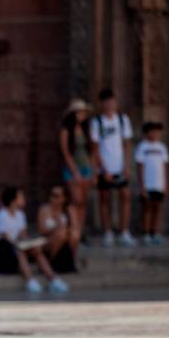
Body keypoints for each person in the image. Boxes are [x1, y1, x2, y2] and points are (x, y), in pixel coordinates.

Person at [0, 187, 70, 294]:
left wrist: (30, 244)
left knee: (36, 251)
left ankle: (53, 280)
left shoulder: (20, 215)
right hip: (0, 249)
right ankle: (30, 281)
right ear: (13, 200)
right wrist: (20, 244)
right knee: (19, 251)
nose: (23, 199)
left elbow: (23, 235)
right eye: (20, 197)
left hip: (16, 245)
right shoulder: (1, 215)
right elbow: (5, 237)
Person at [91, 88, 137, 247]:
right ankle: (108, 231)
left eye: (112, 102)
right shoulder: (97, 122)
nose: (109, 105)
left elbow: (127, 144)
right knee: (104, 199)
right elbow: (95, 147)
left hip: (120, 166)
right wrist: (103, 168)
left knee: (125, 197)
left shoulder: (122, 120)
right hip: (105, 167)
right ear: (101, 104)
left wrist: (126, 166)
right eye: (106, 102)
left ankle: (124, 231)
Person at [59, 98, 94, 240]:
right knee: (76, 199)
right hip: (72, 169)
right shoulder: (66, 130)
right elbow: (65, 151)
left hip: (86, 167)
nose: (82, 114)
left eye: (84, 112)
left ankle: (80, 229)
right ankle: (74, 227)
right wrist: (74, 171)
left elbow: (91, 149)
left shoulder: (86, 129)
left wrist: (92, 168)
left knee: (84, 200)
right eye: (80, 112)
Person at [135, 121, 169, 245]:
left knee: (157, 208)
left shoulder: (162, 147)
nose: (155, 134)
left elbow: (165, 166)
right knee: (147, 208)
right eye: (152, 131)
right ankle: (146, 233)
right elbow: (139, 167)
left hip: (158, 183)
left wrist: (166, 184)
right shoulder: (142, 147)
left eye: (157, 132)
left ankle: (154, 232)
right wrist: (141, 186)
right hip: (147, 184)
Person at [37, 186, 79, 273]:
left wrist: (64, 228)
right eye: (52, 195)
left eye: (56, 196)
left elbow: (75, 226)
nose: (53, 198)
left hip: (65, 238)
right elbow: (42, 230)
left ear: (64, 198)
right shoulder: (44, 209)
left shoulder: (69, 209)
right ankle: (50, 263)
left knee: (74, 234)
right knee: (61, 234)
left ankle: (69, 262)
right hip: (48, 239)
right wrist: (56, 227)